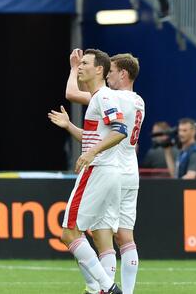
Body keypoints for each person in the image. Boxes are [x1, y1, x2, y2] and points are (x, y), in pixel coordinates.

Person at [56, 49, 143, 294]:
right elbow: (100, 135)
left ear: (100, 70)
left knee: (71, 232)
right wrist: (71, 127)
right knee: (105, 237)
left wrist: (92, 153)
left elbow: (119, 130)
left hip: (101, 169)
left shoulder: (106, 96)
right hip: (120, 171)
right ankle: (101, 289)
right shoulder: (131, 100)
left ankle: (105, 288)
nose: (81, 66)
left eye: (85, 63)